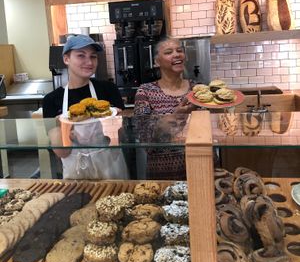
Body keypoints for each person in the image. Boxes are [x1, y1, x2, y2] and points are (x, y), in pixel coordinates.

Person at [43, 34, 129, 180]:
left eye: (93, 56)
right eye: (81, 56)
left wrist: (116, 125)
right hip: (76, 172)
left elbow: (120, 140)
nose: (89, 62)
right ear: (66, 59)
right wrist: (63, 127)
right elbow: (62, 153)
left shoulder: (108, 89)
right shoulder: (52, 100)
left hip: (110, 167)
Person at [134, 37, 196, 180]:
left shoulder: (197, 90)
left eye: (179, 50)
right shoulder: (146, 91)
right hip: (163, 173)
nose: (176, 54)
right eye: (169, 52)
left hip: (199, 166)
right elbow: (144, 138)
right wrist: (175, 117)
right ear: (157, 62)